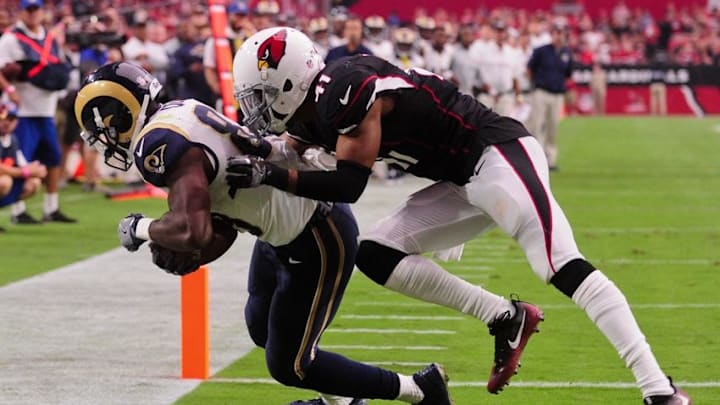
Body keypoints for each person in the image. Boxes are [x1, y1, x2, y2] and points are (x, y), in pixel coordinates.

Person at [227, 27, 693, 404]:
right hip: (458, 180)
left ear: (290, 82)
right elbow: (294, 150)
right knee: (375, 253)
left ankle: (660, 390)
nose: (257, 108)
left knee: (558, 263)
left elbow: (349, 183)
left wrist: (267, 174)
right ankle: (503, 317)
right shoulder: (315, 110)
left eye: (261, 95)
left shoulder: (345, 89)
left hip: (497, 153)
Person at [74, 62, 452, 405]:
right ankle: (344, 401)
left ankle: (419, 389)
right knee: (262, 328)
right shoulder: (180, 112)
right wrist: (195, 247)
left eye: (101, 126)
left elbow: (193, 229)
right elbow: (220, 223)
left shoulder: (157, 143)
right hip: (281, 232)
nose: (103, 137)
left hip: (316, 232)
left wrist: (141, 229)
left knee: (292, 366)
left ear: (119, 113)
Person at [0, 0, 76, 223]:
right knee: (20, 159)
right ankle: (17, 210)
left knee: (53, 157)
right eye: (28, 10)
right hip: (21, 110)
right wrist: (10, 88)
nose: (33, 14)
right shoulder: (11, 39)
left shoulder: (50, 38)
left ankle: (51, 207)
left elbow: (59, 65)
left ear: (42, 12)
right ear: (22, 12)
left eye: (36, 9)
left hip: (46, 107)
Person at [526, 24, 573, 171]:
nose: (558, 36)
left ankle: (550, 160)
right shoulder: (541, 51)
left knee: (553, 127)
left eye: (561, 33)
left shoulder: (567, 53)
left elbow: (568, 74)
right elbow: (529, 69)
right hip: (541, 92)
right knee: (537, 125)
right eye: (556, 33)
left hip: (557, 94)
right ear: (551, 34)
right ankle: (536, 159)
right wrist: (534, 85)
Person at [0, 102, 47, 231]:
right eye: (3, 118)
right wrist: (25, 172)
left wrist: (36, 170)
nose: (6, 123)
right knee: (4, 182)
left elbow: (23, 165)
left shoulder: (12, 139)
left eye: (11, 119)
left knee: (33, 183)